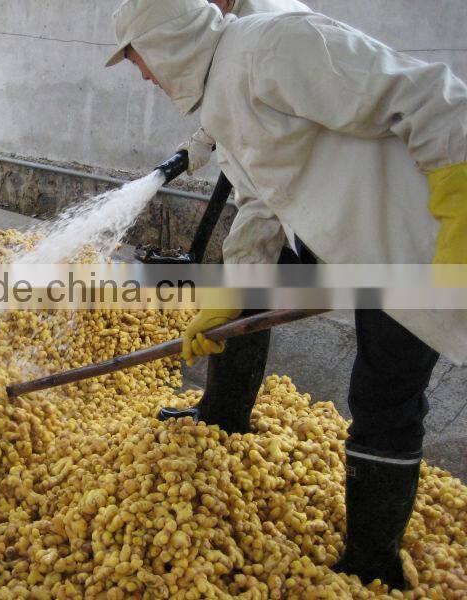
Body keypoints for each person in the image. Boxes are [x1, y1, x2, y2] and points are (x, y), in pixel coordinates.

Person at [106, 0, 467, 590]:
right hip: (344, 241)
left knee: (384, 398)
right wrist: (235, 289)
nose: (142, 74)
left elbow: (432, 95)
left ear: (166, 39)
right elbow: (260, 201)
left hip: (417, 243)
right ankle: (224, 416)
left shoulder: (276, 45)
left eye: (137, 59)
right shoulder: (221, 94)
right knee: (255, 290)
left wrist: (460, 210)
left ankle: (374, 565)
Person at [158, 0, 314, 434]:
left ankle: (224, 420)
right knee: (249, 288)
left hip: (320, 202)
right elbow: (227, 114)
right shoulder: (239, 31)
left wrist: (237, 279)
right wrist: (195, 148)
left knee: (247, 290)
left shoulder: (255, 31)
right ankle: (223, 413)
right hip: (304, 195)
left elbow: (265, 186)